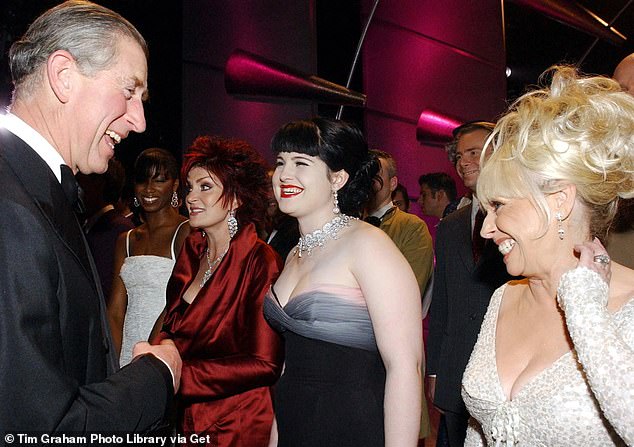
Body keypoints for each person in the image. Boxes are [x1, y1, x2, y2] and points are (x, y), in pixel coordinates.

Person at [0, 0, 180, 432]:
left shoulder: (34, 190)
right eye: (129, 91)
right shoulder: (10, 209)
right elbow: (38, 430)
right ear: (63, 76)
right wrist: (158, 376)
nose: (138, 120)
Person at [462, 66, 634, 446]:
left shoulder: (629, 306)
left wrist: (584, 308)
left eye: (499, 206)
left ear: (559, 201)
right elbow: (481, 427)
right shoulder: (503, 296)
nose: (487, 229)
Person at [264, 117, 423, 446]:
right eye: (280, 162)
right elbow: (291, 366)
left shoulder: (369, 246)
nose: (284, 174)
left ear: (338, 178)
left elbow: (405, 367)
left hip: (351, 425)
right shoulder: (294, 252)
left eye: (301, 163)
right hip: (295, 422)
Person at [154, 136, 284, 445]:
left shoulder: (259, 261)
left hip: (238, 420)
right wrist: (156, 358)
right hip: (188, 415)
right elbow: (172, 325)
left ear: (236, 199)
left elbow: (265, 362)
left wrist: (179, 377)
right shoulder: (191, 251)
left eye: (206, 187)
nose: (192, 198)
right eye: (189, 188)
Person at [426, 120, 512, 447]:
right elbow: (442, 304)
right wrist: (434, 369)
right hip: (455, 371)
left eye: (474, 152)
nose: (463, 162)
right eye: (459, 155)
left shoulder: (519, 219)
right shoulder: (449, 227)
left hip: (502, 369)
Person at [108, 148, 190, 366]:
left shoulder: (186, 231)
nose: (149, 189)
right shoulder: (126, 239)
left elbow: (178, 302)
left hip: (164, 350)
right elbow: (115, 311)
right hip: (127, 352)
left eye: (159, 180)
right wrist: (114, 367)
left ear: (174, 185)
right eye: (142, 181)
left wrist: (149, 359)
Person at [78, 158, 135, 299]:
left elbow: (107, 290)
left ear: (98, 184)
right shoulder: (89, 225)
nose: (77, 188)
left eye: (81, 182)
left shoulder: (117, 229)